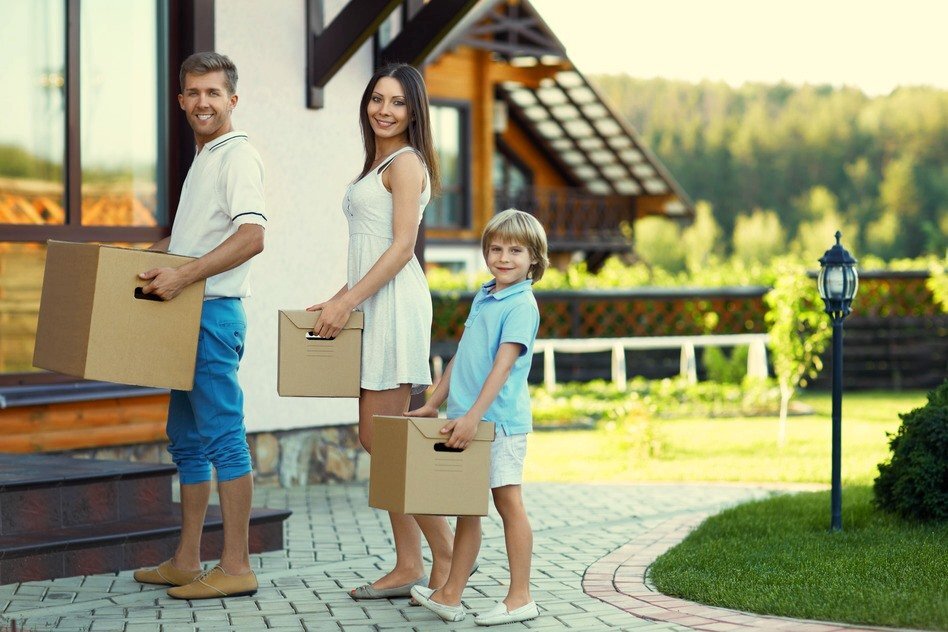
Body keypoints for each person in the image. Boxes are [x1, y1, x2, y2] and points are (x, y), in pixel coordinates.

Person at [306, 63, 456, 599]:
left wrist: (349, 299)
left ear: (413, 112)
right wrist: (338, 295)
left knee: (384, 440)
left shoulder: (407, 162)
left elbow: (400, 248)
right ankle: (411, 562)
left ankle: (443, 555)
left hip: (394, 306)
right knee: (383, 439)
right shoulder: (376, 163)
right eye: (376, 99)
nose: (383, 110)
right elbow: (370, 246)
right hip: (373, 302)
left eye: (396, 102)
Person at [132, 52, 266, 600]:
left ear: (232, 100)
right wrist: (131, 261)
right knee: (187, 441)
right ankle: (188, 559)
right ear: (181, 100)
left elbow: (251, 235)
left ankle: (235, 566)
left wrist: (183, 276)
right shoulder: (204, 158)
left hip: (211, 316)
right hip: (187, 312)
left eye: (214, 93)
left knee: (223, 439)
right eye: (195, 93)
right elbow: (190, 242)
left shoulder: (239, 158)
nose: (204, 102)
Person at [407, 209, 548, 625]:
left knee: (508, 504)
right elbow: (464, 355)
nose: (504, 258)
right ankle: (450, 594)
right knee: (468, 508)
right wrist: (435, 402)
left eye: (516, 250)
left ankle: (520, 596)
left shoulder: (521, 305)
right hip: (469, 419)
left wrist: (472, 417)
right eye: (496, 248)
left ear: (534, 260)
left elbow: (501, 369)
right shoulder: (485, 295)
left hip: (498, 423)